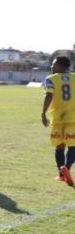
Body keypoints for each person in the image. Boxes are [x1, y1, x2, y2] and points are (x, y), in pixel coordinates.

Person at [41, 56, 75, 185]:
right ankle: (66, 167)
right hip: (73, 117)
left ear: (61, 66)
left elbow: (49, 94)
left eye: (54, 64)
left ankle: (61, 174)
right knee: (73, 146)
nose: (52, 67)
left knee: (59, 146)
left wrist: (43, 113)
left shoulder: (50, 79)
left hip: (58, 118)